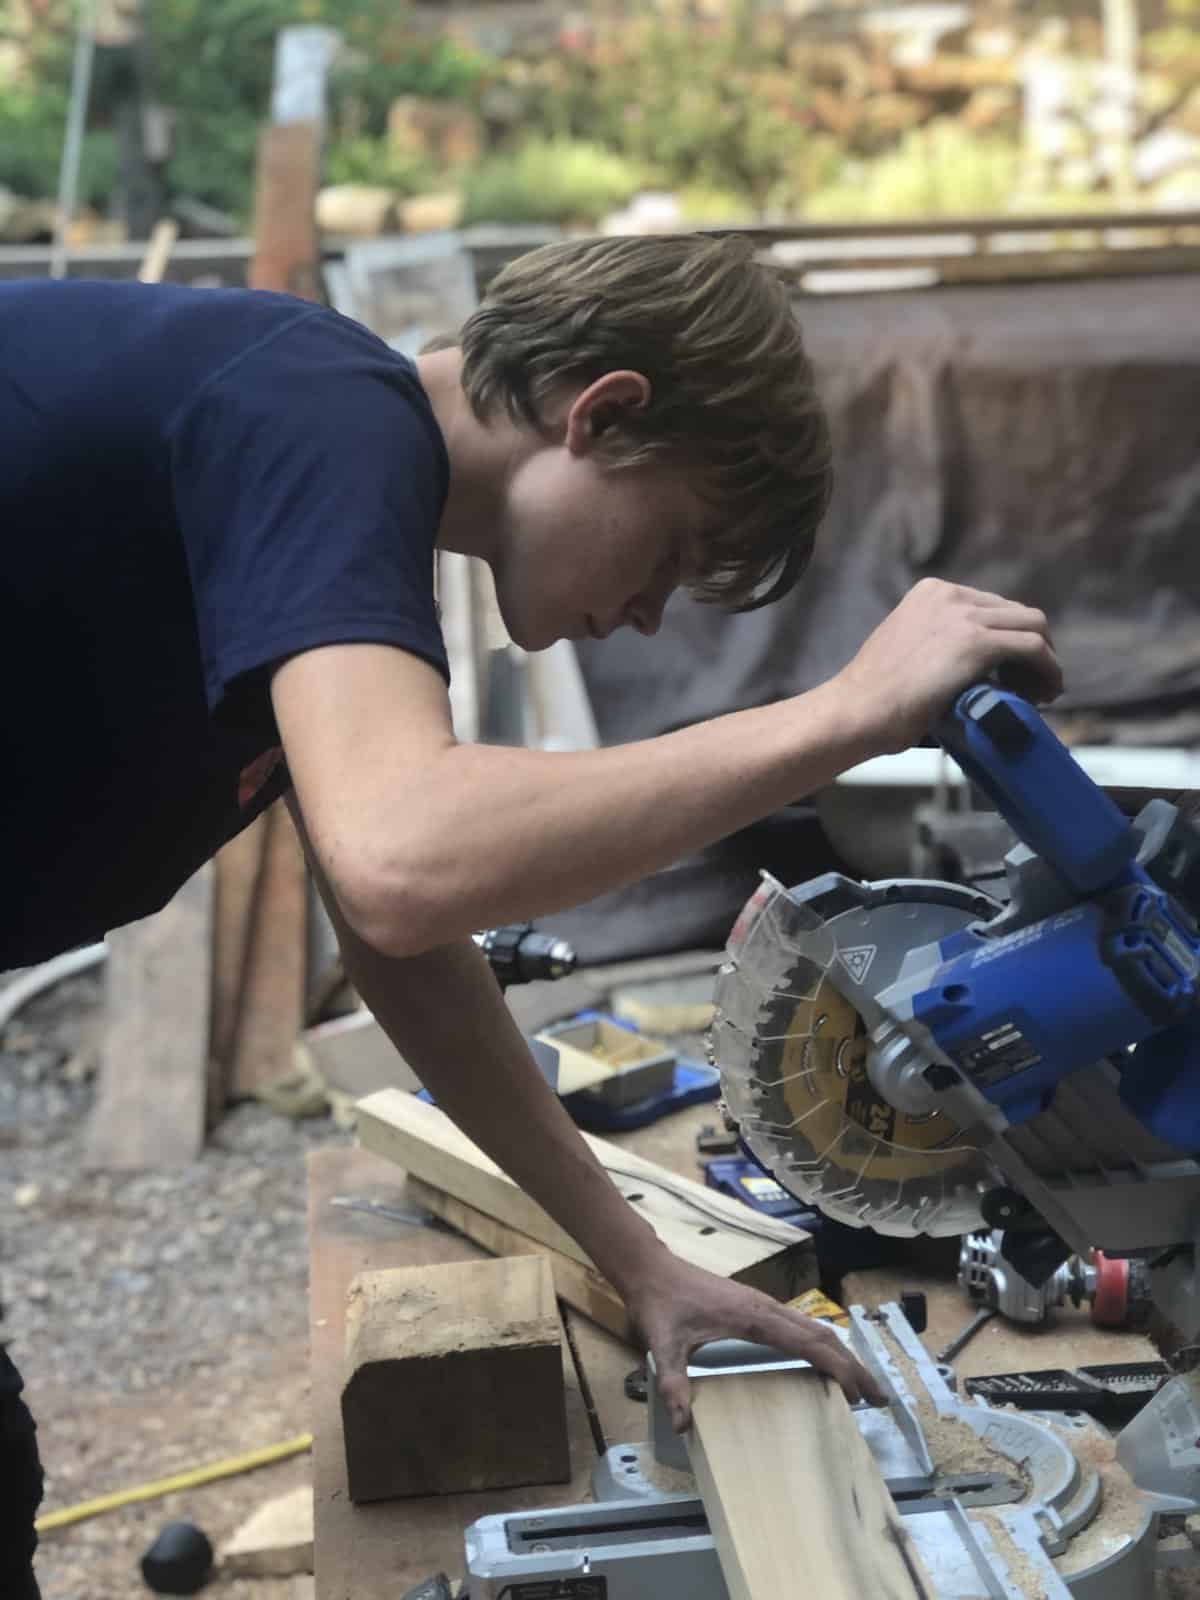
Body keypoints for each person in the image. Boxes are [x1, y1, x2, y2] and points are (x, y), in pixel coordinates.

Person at [0, 232, 1061, 1595]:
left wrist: (638, 1262)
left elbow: (400, 937)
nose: (648, 615)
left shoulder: (316, 481)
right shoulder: (317, 405)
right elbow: (403, 859)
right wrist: (843, 717)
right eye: (676, 549)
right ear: (602, 412)